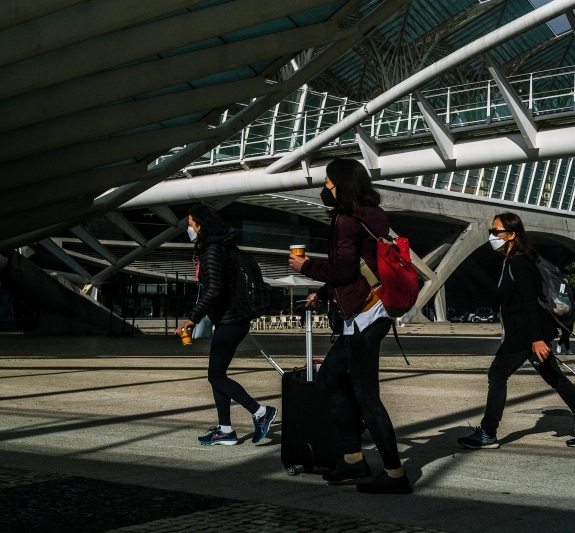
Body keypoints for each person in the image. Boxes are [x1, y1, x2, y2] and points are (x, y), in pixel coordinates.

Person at [289, 158, 411, 495]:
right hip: (369, 310)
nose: (325, 187)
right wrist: (323, 293)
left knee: (367, 397)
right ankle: (353, 459)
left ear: (340, 184)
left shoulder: (346, 220)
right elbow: (359, 267)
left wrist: (305, 266)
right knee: (330, 379)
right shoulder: (371, 214)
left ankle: (395, 474)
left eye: (328, 182)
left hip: (364, 316)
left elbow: (344, 270)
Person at [458, 212, 575, 450]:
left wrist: (537, 339)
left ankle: (487, 433)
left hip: (525, 335)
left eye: (496, 231)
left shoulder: (520, 262)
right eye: (491, 231)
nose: (492, 235)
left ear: (511, 235)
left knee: (497, 375)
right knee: (554, 377)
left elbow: (530, 303)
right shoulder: (512, 260)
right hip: (526, 333)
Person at [176, 204, 277, 446]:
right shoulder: (224, 246)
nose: (189, 229)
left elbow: (214, 289)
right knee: (217, 375)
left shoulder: (212, 249)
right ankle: (225, 430)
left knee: (216, 375)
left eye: (190, 224)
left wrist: (193, 318)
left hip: (231, 320)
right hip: (233, 319)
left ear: (201, 225)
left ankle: (260, 412)